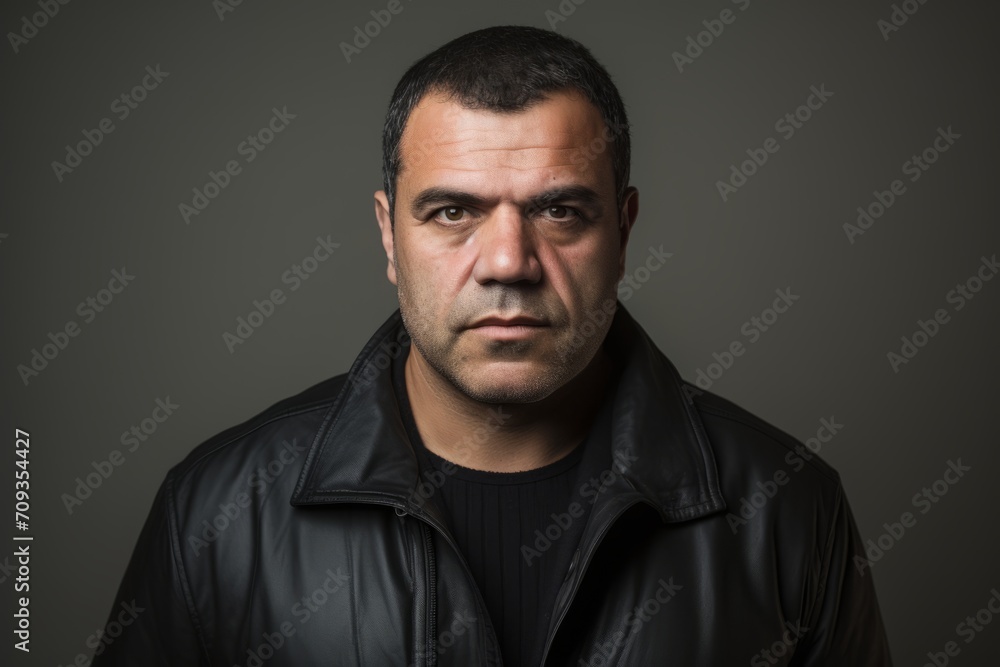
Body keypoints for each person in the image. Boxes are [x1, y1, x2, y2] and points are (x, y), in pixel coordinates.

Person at [92, 25, 893, 666]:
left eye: (560, 212)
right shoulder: (217, 513)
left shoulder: (787, 507)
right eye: (452, 212)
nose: (509, 261)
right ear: (386, 232)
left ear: (624, 230)